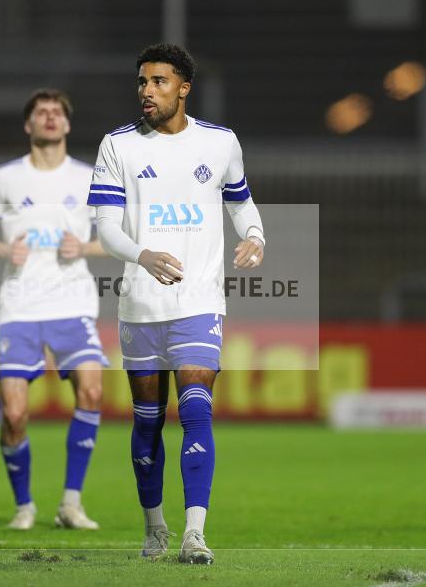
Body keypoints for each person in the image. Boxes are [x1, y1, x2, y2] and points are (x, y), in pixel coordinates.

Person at [87, 44, 265, 564]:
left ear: (183, 87)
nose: (146, 91)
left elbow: (241, 202)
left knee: (194, 408)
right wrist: (143, 255)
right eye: (142, 82)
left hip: (199, 299)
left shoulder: (220, 143)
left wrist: (255, 235)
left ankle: (195, 533)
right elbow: (105, 229)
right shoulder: (118, 146)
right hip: (140, 305)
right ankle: (154, 525)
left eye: (158, 82)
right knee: (147, 420)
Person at [0, 88, 108, 531]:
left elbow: (119, 238)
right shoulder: (4, 177)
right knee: (13, 413)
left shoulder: (90, 177)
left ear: (67, 125)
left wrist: (84, 245)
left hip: (73, 301)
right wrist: (3, 248)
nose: (49, 118)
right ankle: (24, 505)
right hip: (20, 305)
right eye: (41, 112)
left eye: (56, 113)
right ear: (28, 125)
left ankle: (71, 504)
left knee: (91, 391)